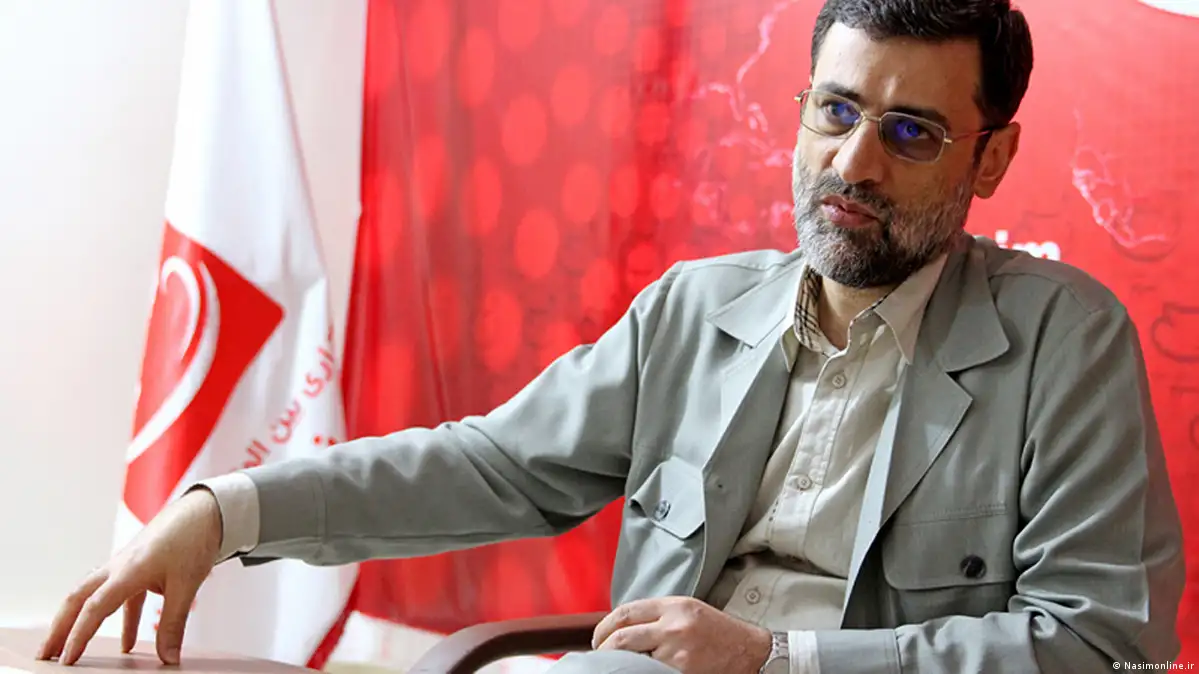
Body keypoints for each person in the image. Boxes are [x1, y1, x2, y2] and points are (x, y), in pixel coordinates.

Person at [38, 0, 1185, 672]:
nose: (853, 164)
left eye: (910, 132)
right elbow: (484, 464)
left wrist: (774, 660)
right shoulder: (692, 310)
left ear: (991, 157)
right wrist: (225, 511)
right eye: (834, 112)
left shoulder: (1065, 343)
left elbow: (1096, 642)